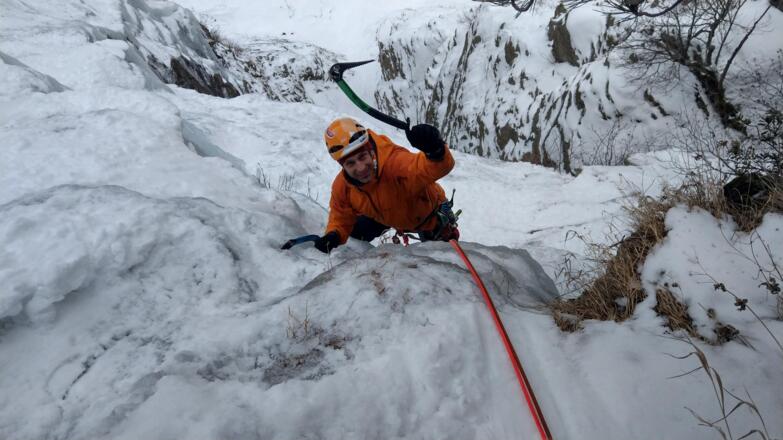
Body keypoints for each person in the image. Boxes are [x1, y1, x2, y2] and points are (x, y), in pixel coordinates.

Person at [313, 117, 459, 253]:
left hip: (429, 217)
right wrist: (334, 235)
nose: (361, 168)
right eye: (350, 163)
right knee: (356, 232)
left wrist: (435, 150)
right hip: (385, 212)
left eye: (362, 157)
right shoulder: (344, 187)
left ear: (371, 151)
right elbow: (341, 215)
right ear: (342, 166)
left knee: (442, 256)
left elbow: (430, 167)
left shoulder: (395, 165)